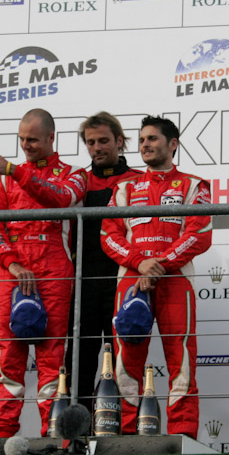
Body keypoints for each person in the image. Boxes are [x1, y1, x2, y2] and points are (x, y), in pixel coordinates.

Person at [102, 115, 212, 438]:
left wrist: (158, 264)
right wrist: (140, 263)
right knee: (126, 360)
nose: (145, 145)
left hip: (175, 281)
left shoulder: (193, 185)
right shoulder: (124, 187)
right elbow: (108, 234)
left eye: (152, 139)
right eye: (141, 140)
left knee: (181, 363)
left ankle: (183, 436)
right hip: (131, 281)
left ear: (172, 144)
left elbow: (200, 233)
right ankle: (121, 436)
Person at [0, 109, 87, 437]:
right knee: (9, 360)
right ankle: (3, 437)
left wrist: (14, 170)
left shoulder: (75, 174)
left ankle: (53, 437)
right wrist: (11, 262)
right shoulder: (2, 179)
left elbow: (60, 198)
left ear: (51, 138)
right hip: (12, 272)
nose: (25, 145)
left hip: (54, 270)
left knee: (52, 359)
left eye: (33, 139)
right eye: (21, 139)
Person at [64, 112, 142, 413]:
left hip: (123, 281)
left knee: (123, 359)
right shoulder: (77, 182)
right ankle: (76, 434)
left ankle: (123, 429)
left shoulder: (137, 181)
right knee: (80, 361)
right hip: (82, 285)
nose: (97, 147)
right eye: (91, 142)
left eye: (103, 141)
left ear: (119, 141)